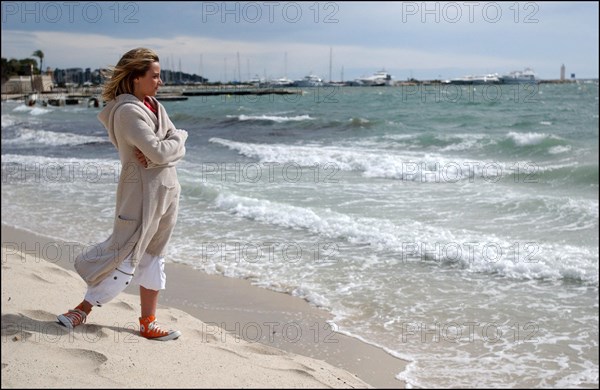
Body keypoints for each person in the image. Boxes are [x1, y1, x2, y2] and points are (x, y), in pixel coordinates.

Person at [57, 48, 188, 341]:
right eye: (154, 76)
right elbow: (158, 149)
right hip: (141, 195)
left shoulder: (154, 105)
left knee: (155, 257)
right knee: (127, 256)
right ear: (135, 78)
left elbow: (164, 149)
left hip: (167, 194)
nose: (160, 81)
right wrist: (178, 139)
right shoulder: (128, 112)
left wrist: (172, 144)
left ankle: (148, 323)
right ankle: (80, 310)